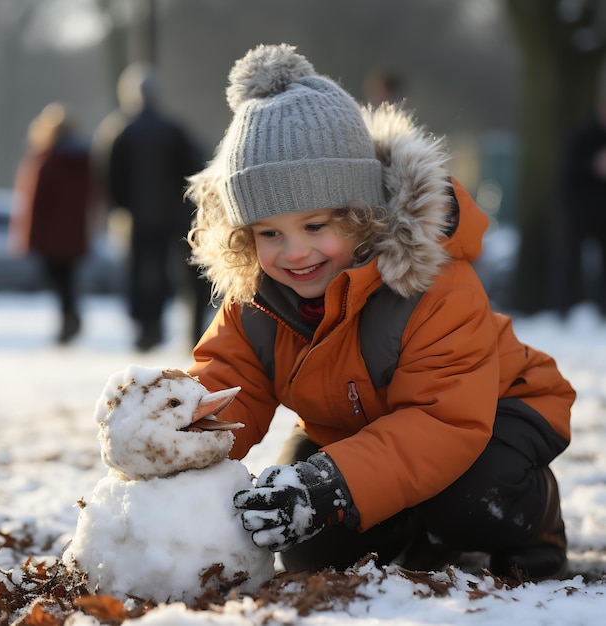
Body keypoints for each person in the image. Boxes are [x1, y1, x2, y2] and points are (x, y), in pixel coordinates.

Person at [185, 44, 576, 581]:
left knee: (474, 498)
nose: (294, 252)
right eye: (269, 233)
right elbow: (230, 381)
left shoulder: (431, 284)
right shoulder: (256, 298)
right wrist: (179, 433)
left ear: (363, 216)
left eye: (316, 226)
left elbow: (444, 421)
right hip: (356, 428)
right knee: (308, 550)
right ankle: (409, 529)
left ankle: (534, 523)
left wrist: (334, 482)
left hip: (492, 413)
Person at [97, 62, 207, 351]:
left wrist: (121, 208)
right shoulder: (173, 129)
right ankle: (185, 329)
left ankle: (148, 329)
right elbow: (193, 170)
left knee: (140, 274)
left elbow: (110, 177)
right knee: (177, 273)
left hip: (136, 218)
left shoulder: (119, 130)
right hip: (173, 216)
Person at [9, 102, 98, 344]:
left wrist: (27, 235)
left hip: (49, 233)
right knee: (67, 279)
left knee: (57, 279)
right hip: (74, 233)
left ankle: (69, 321)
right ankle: (70, 320)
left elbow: (35, 199)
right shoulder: (83, 160)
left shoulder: (46, 159)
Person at [558, 99, 606, 316]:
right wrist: (593, 165)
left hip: (602, 212)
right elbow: (569, 166)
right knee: (570, 259)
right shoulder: (582, 134)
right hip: (579, 210)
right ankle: (564, 308)